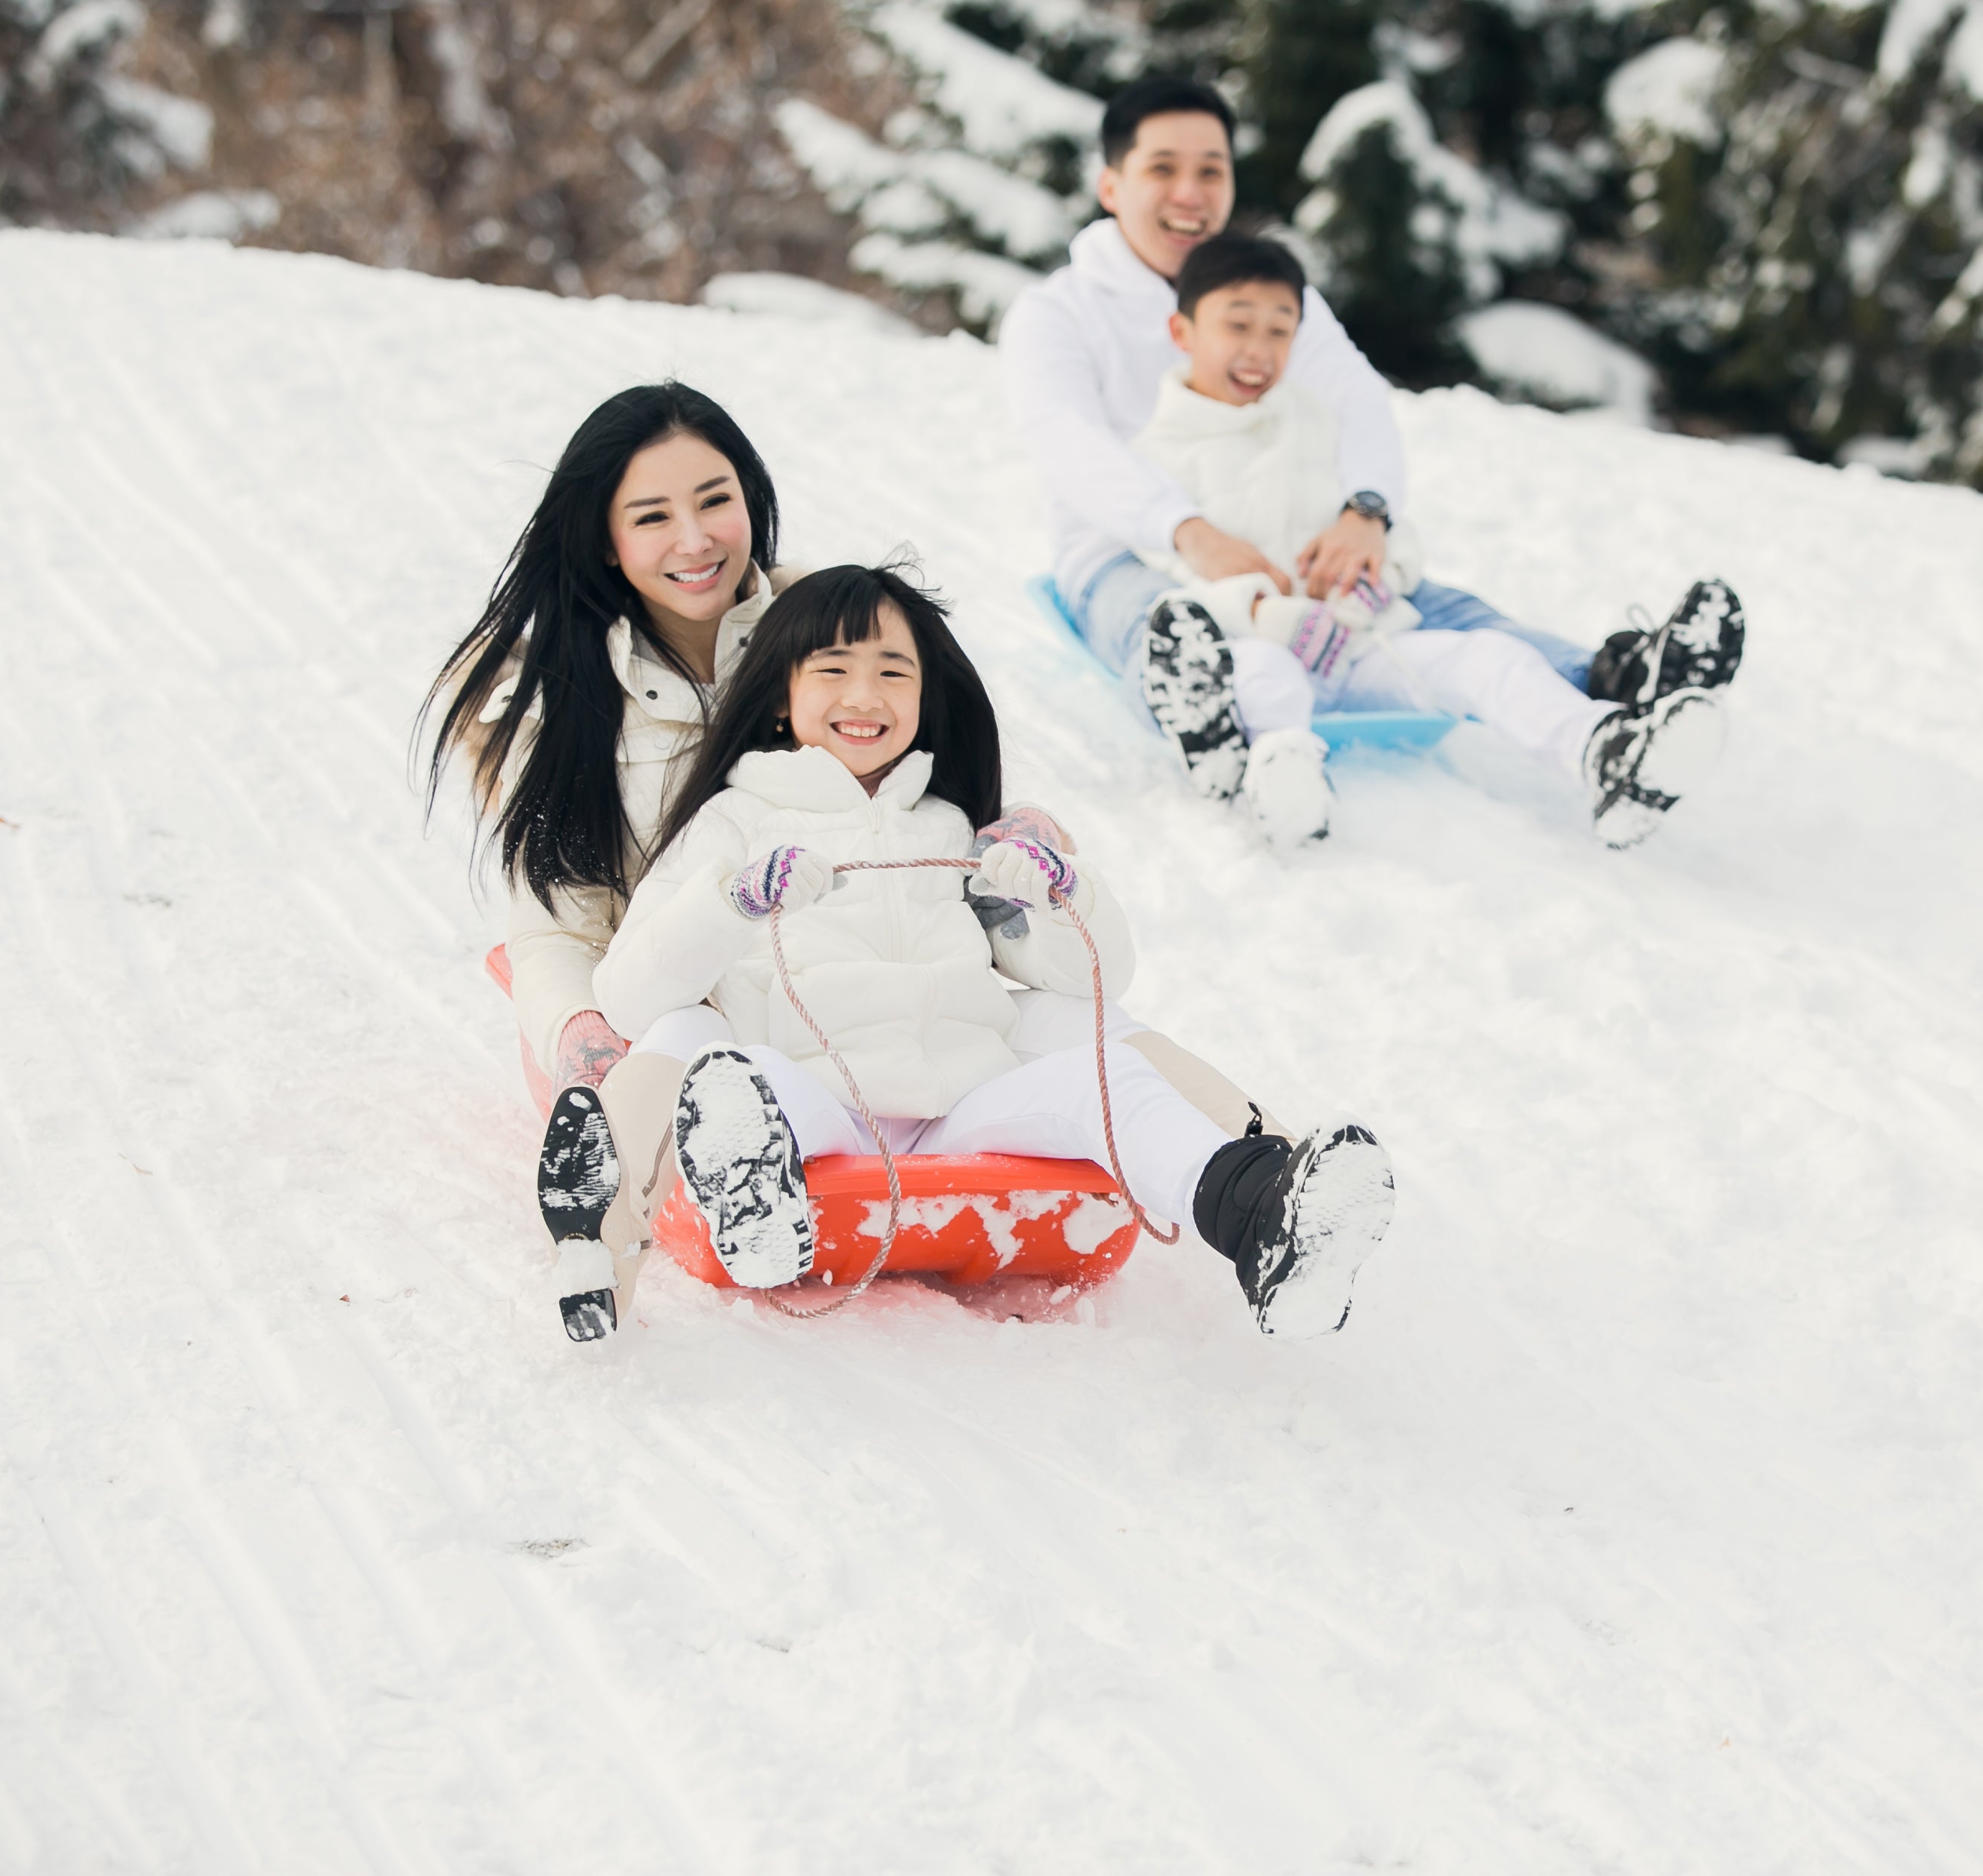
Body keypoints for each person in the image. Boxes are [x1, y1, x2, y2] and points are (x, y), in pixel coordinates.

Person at [422, 383, 1310, 1345]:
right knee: (687, 1042)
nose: (695, 539)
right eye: (652, 516)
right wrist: (586, 1037)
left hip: (892, 990)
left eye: (714, 499)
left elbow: (923, 784)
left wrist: (1016, 850)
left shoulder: (825, 622)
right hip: (723, 980)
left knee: (1073, 1017)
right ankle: (619, 1221)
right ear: (606, 540)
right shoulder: (562, 718)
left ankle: (1257, 1172)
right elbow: (554, 926)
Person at [593, 562, 1396, 1336]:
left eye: (893, 672)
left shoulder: (951, 828)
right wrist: (733, 902)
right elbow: (630, 992)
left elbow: (1091, 984)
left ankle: (1258, 1217)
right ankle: (755, 1208)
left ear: (926, 693)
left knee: (1103, 1076)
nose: (864, 696)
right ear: (780, 694)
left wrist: (1058, 895)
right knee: (740, 1081)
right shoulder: (733, 823)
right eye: (832, 670)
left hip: (957, 1113)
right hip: (817, 1102)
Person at [996, 77, 1745, 822]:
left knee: (1426, 607)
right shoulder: (1058, 313)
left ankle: (1619, 677)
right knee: (1164, 629)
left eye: (1210, 170)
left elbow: (1356, 400)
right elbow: (1067, 442)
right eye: (1163, 169)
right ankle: (1212, 723)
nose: (1189, 192)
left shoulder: (1265, 290)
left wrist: (1366, 511)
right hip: (1132, 551)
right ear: (1110, 183)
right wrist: (1186, 533)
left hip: (1284, 531)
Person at [1124, 233, 1728, 846]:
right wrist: (1257, 612)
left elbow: (1393, 541)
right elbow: (1161, 588)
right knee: (1261, 676)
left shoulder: (1314, 423)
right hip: (1258, 648)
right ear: (1183, 332)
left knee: (1492, 657)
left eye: (1280, 331)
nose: (1260, 349)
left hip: (1360, 647)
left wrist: (1375, 574)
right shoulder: (1158, 457)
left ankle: (1605, 755)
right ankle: (1282, 773)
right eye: (1238, 325)